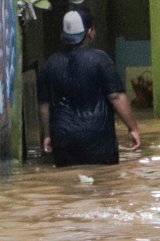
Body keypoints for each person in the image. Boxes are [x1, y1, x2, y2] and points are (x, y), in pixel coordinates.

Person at [38, 8, 141, 167]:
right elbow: (116, 97)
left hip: (63, 139)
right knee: (104, 182)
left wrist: (47, 134)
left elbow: (44, 105)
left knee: (70, 184)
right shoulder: (101, 60)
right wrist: (132, 128)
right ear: (90, 32)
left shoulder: (50, 63)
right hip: (97, 139)